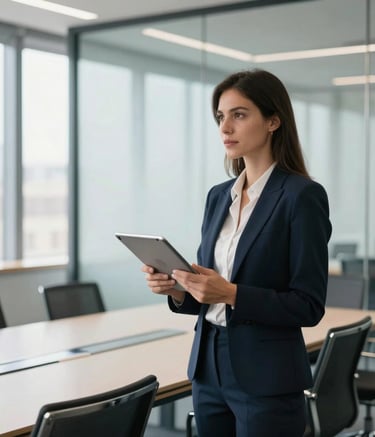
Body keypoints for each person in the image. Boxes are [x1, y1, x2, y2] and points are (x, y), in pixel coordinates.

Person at [142, 69, 332, 437]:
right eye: (220, 117)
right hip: (207, 366)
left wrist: (230, 293)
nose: (225, 127)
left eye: (239, 115)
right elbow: (206, 297)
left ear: (273, 121)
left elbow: (308, 305)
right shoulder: (218, 196)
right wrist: (178, 289)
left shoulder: (301, 197)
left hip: (267, 375)